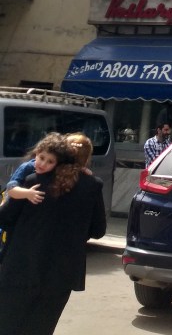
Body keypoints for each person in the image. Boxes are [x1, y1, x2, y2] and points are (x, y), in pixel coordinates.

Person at [0, 133, 106, 335]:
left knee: (7, 325)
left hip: (21, 267)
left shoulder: (34, 181)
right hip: (62, 274)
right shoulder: (93, 185)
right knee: (41, 328)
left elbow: (4, 217)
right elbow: (98, 230)